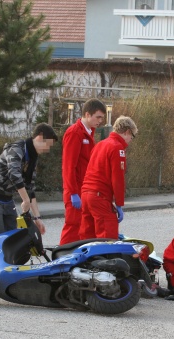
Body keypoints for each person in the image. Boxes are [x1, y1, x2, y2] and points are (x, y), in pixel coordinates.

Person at [0, 123, 58, 237]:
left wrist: (37, 218)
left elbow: (30, 188)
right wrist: (25, 200)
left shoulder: (33, 158)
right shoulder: (17, 149)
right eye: (48, 145)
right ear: (40, 137)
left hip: (7, 199)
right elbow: (14, 175)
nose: (48, 149)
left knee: (13, 238)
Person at [79, 115, 137, 240]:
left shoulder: (100, 145)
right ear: (127, 132)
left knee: (87, 238)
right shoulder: (117, 148)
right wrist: (119, 203)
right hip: (100, 196)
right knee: (107, 238)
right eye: (132, 136)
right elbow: (117, 179)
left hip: (86, 194)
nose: (131, 140)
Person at [59, 99, 106, 245]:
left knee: (83, 230)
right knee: (73, 227)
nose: (100, 121)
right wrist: (73, 192)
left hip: (84, 190)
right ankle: (62, 258)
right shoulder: (75, 133)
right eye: (98, 117)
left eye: (102, 118)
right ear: (87, 114)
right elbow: (68, 166)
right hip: (76, 190)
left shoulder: (89, 133)